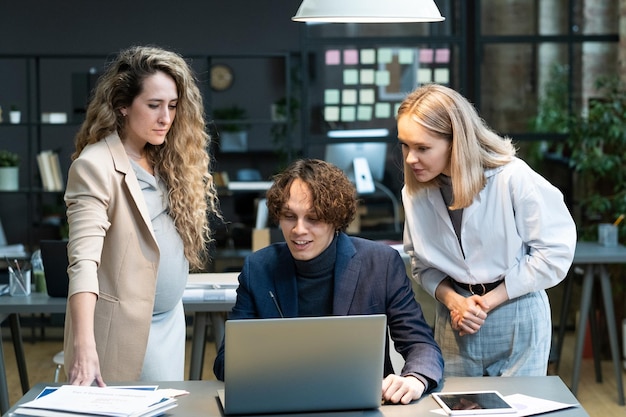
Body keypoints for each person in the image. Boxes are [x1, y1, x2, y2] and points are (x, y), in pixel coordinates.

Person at [213, 159, 443, 404]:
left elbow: (421, 344)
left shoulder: (380, 264)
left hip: (359, 405)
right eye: (289, 216)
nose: (298, 230)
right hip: (281, 402)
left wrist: (414, 379)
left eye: (313, 218)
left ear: (336, 219)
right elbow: (226, 361)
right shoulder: (259, 268)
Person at [63, 45, 220, 385]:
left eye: (173, 106)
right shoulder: (94, 166)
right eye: (153, 106)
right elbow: (83, 264)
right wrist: (84, 344)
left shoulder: (167, 158)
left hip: (169, 323)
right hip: (123, 333)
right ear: (121, 106)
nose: (166, 117)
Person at [396, 84, 576, 377]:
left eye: (422, 148)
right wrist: (454, 302)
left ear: (456, 142)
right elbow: (420, 263)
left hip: (516, 312)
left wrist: (485, 303)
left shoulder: (512, 178)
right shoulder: (414, 192)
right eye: (405, 144)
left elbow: (555, 253)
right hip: (455, 319)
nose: (410, 159)